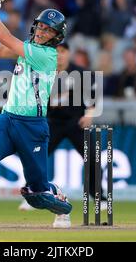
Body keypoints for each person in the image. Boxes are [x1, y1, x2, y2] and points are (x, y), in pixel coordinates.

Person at [0, 0, 72, 229]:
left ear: (56, 36)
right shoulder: (29, 47)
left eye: (48, 30)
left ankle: (61, 205)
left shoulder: (46, 55)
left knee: (37, 193)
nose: (41, 32)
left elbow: (5, 37)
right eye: (40, 27)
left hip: (32, 127)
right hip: (7, 118)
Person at [18, 42, 107, 212]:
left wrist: (89, 115)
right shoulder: (44, 72)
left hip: (77, 122)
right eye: (56, 51)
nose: (59, 55)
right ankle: (32, 195)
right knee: (36, 156)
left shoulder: (81, 73)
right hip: (52, 122)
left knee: (93, 157)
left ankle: (99, 197)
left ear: (69, 53)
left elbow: (95, 99)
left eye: (63, 51)